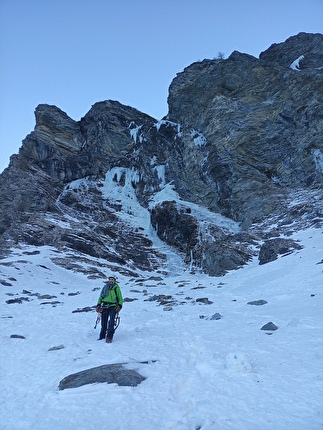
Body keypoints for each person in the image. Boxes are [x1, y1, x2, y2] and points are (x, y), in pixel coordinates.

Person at [96, 275, 123, 343]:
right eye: (110, 279)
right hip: (105, 306)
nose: (111, 280)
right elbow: (101, 296)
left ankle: (109, 337)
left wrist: (119, 305)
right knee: (103, 322)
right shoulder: (105, 287)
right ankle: (102, 336)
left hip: (113, 306)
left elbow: (120, 297)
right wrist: (98, 304)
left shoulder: (116, 288)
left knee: (111, 322)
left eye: (112, 279)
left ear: (114, 280)